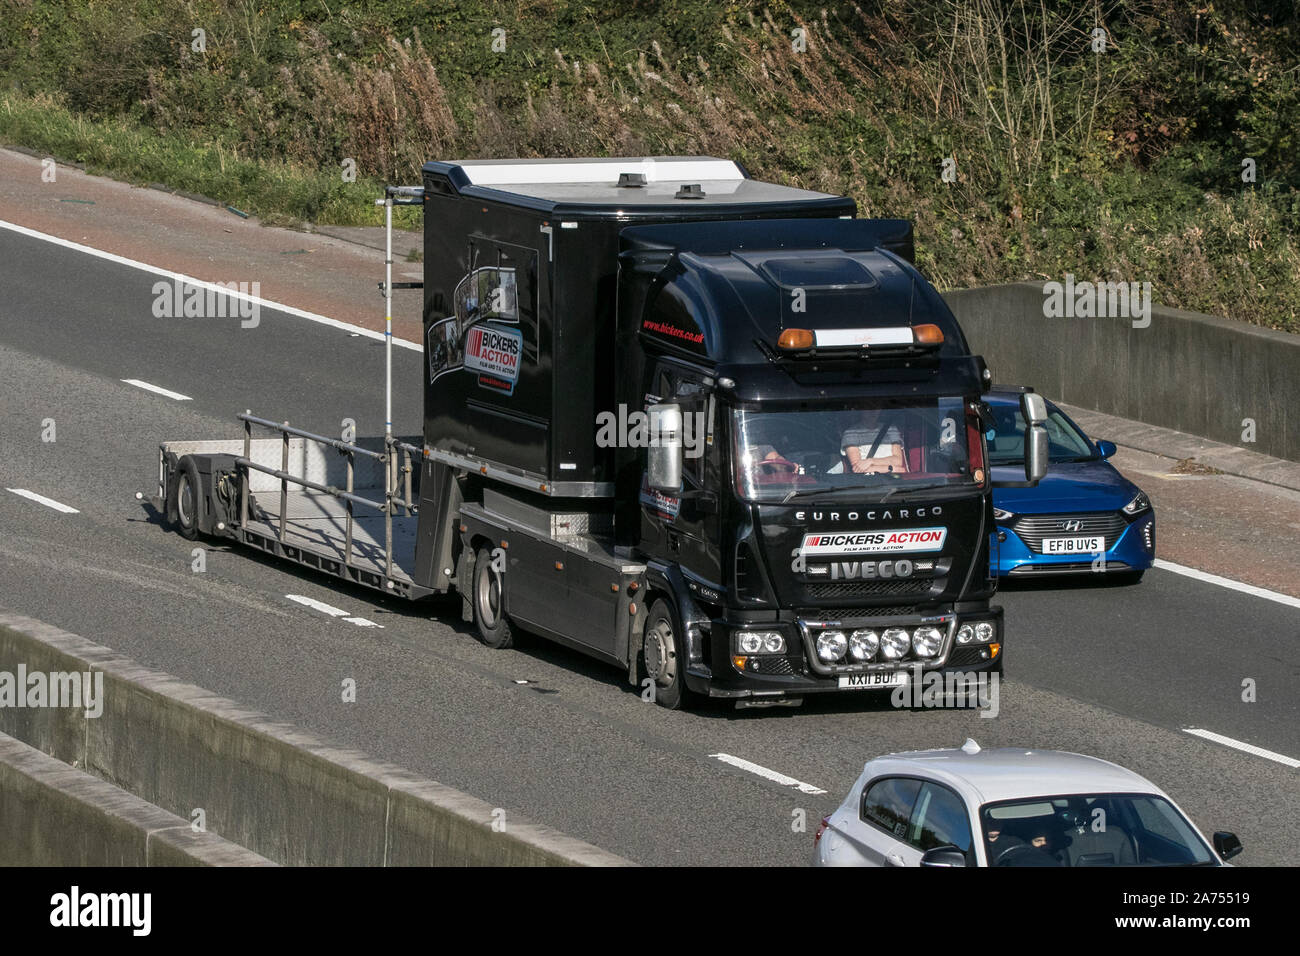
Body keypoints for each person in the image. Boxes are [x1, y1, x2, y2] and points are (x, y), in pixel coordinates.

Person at [841, 410, 906, 474]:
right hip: (868, 480)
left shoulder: (891, 429)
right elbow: (857, 469)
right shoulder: (851, 433)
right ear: (861, 411)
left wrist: (871, 461)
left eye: (876, 408)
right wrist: (891, 469)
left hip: (893, 480)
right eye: (868, 408)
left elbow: (898, 461)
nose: (873, 411)